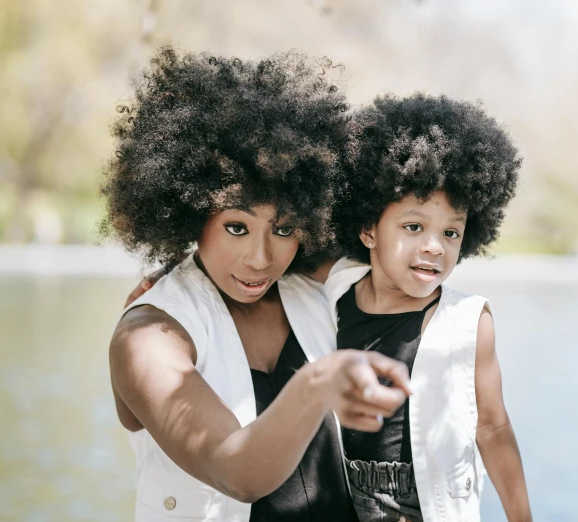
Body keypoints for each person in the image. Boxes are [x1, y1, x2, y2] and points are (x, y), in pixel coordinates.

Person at [104, 46, 411, 522]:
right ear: (189, 211)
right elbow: (235, 471)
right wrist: (314, 387)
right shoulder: (146, 336)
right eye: (236, 227)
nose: (261, 258)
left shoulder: (315, 293)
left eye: (285, 229)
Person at [324, 93, 532, 522]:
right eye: (413, 226)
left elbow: (491, 426)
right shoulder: (329, 300)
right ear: (368, 228)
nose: (434, 247)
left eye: (451, 233)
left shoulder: (469, 322)